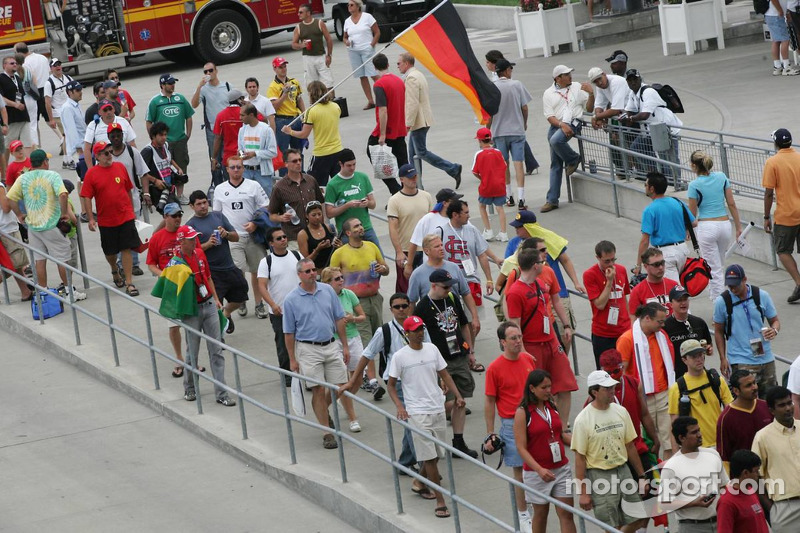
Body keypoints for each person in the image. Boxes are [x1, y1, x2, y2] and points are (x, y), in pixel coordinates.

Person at [386, 315, 464, 519]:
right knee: (429, 458)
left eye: (421, 328)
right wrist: (400, 406)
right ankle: (440, 501)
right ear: (407, 333)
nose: (419, 333)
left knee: (436, 454)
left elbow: (445, 374)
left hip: (437, 407)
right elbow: (391, 385)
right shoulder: (400, 356)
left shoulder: (432, 349)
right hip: (417, 412)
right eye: (415, 330)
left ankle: (419, 481)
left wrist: (457, 395)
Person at [283, 257, 350, 450]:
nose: (313, 273)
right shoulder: (291, 300)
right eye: (308, 271)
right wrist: (292, 359)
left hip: (330, 344)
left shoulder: (328, 290)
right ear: (299, 275)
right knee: (318, 389)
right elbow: (289, 332)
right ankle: (326, 431)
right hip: (308, 348)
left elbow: (339, 319)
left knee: (341, 386)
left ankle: (323, 411)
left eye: (314, 270)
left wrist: (344, 346)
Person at [505, 247, 577, 421]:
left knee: (565, 384)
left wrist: (562, 331)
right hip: (531, 346)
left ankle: (561, 425)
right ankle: (543, 426)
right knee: (536, 391)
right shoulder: (515, 292)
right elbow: (515, 325)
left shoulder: (540, 284)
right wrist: (522, 352)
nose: (544, 264)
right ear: (534, 265)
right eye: (541, 261)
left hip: (551, 342)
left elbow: (549, 309)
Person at [571, 370, 648, 532]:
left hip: (623, 469)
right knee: (611, 523)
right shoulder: (583, 420)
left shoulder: (620, 411)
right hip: (600, 475)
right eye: (607, 388)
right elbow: (579, 458)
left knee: (640, 516)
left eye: (612, 387)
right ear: (594, 392)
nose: (612, 390)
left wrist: (642, 476)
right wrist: (583, 492)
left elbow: (630, 446)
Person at [414, 269, 478, 458]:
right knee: (442, 401)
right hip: (439, 361)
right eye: (445, 287)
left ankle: (458, 441)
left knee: (461, 400)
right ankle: (426, 436)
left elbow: (463, 324)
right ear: (433, 285)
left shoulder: (452, 298)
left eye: (450, 286)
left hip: (459, 355)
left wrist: (470, 351)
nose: (449, 289)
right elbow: (419, 339)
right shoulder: (423, 307)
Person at [171, 225, 236, 407]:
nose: (195, 241)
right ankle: (189, 387)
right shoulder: (176, 261)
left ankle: (221, 393)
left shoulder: (200, 254)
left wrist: (216, 299)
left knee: (216, 350)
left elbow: (207, 278)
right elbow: (171, 288)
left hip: (208, 304)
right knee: (192, 351)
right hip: (191, 310)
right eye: (191, 239)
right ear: (182, 241)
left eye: (195, 238)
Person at [485, 322, 538, 530]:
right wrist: (490, 433)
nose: (518, 341)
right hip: (510, 424)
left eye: (519, 337)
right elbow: (489, 401)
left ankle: (532, 503)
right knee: (520, 471)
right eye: (513, 338)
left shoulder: (527, 360)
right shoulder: (494, 368)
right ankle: (523, 513)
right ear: (502, 342)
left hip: (533, 418)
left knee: (534, 467)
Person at [329, 217, 388, 400]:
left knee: (380, 338)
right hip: (355, 303)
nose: (360, 228)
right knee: (366, 342)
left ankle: (368, 375)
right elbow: (330, 278)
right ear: (348, 233)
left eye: (361, 225)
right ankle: (372, 381)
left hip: (375, 299)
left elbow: (386, 269)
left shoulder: (372, 246)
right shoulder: (340, 253)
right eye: (356, 226)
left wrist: (382, 268)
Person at [514, 369, 576, 533]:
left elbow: (560, 434)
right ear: (532, 388)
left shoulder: (552, 405)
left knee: (567, 514)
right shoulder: (522, 413)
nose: (548, 390)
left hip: (561, 469)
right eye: (544, 387)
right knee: (541, 514)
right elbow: (521, 447)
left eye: (550, 386)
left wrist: (580, 445)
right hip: (537, 473)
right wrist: (539, 469)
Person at [7, 149, 75, 291]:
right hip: (52, 225)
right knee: (62, 259)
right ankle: (69, 290)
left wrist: (19, 214)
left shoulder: (23, 178)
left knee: (39, 260)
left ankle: (43, 291)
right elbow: (63, 195)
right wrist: (64, 213)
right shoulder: (53, 176)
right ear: (45, 162)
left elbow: (10, 198)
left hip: (33, 227)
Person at [80, 141, 141, 296]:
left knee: (126, 248)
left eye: (111, 151)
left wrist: (131, 211)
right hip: (106, 220)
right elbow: (86, 196)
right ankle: (114, 269)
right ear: (98, 156)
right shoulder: (92, 174)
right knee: (110, 252)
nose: (110, 155)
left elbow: (127, 189)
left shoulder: (120, 167)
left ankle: (129, 282)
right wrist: (91, 218)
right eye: (106, 153)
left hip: (125, 216)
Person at [213, 155, 270, 319]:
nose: (236, 170)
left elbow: (265, 207)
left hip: (253, 236)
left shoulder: (254, 186)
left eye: (239, 167)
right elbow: (217, 215)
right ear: (227, 169)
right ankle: (241, 300)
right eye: (233, 167)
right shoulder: (220, 189)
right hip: (232, 238)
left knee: (257, 271)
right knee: (238, 272)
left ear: (243, 168)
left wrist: (255, 223)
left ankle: (259, 304)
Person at [617, 302, 676, 459]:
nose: (663, 325)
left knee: (669, 441)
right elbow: (620, 374)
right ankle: (653, 475)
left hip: (664, 394)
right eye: (660, 321)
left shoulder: (662, 335)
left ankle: (668, 476)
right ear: (648, 318)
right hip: (642, 399)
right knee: (648, 442)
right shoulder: (627, 339)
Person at [406, 234, 480, 354]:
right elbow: (411, 302)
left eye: (441, 245)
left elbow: (466, 293)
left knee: (461, 350)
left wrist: (475, 317)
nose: (441, 248)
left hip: (454, 320)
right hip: (434, 326)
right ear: (426, 251)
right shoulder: (417, 274)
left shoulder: (454, 268)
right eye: (436, 246)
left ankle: (468, 358)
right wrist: (409, 326)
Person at [186, 190, 247, 336]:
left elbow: (236, 237)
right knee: (215, 306)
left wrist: (226, 234)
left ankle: (226, 313)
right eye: (199, 204)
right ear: (191, 206)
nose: (203, 206)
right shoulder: (190, 225)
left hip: (229, 266)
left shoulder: (218, 216)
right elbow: (190, 252)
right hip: (211, 272)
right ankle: (218, 337)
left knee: (241, 296)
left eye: (205, 202)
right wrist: (207, 244)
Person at [713, 264, 780, 392]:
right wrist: (723, 358)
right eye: (729, 286)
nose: (732, 289)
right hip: (740, 360)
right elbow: (718, 331)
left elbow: (775, 321)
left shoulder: (761, 295)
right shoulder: (722, 301)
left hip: (766, 358)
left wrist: (774, 330)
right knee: (747, 401)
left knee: (770, 402)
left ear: (744, 280)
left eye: (736, 285)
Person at [398, 52, 462, 186]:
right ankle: (415, 183)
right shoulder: (418, 74)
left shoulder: (411, 78)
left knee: (420, 153)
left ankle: (452, 168)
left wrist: (408, 123)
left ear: (407, 63)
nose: (398, 66)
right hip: (422, 119)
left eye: (399, 63)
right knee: (413, 154)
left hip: (419, 121)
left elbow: (412, 103)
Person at [147, 202, 196, 377]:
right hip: (171, 288)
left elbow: (196, 253)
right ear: (165, 217)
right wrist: (163, 275)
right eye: (174, 215)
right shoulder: (157, 238)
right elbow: (151, 263)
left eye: (179, 215)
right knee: (174, 325)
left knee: (193, 325)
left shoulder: (186, 234)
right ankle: (179, 357)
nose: (177, 218)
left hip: (189, 285)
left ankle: (192, 360)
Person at [687, 150, 742, 301]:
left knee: (713, 269)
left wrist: (687, 230)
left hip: (707, 226)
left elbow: (692, 214)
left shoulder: (694, 185)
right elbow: (731, 203)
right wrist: (738, 227)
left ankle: (720, 305)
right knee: (719, 265)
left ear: (693, 166)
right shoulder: (722, 177)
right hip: (724, 224)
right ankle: (717, 298)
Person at [657, 416, 728, 531]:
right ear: (681, 438)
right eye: (694, 432)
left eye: (699, 430)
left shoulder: (713, 455)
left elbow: (724, 486)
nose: (699, 435)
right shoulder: (671, 467)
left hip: (720, 523)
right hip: (691, 527)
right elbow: (664, 504)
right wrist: (693, 503)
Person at [541, 65, 593, 213]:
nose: (570, 76)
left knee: (556, 141)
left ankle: (573, 159)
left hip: (574, 122)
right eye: (566, 74)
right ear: (558, 78)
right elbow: (549, 116)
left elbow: (589, 109)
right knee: (555, 163)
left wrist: (591, 95)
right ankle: (552, 200)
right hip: (557, 124)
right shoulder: (548, 93)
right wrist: (561, 124)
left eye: (570, 73)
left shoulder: (576, 87)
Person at [596, 348, 661, 466]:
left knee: (650, 481)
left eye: (616, 371)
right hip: (612, 453)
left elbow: (644, 414)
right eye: (608, 373)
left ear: (622, 367)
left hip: (636, 446)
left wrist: (655, 439)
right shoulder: (596, 392)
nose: (612, 376)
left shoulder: (634, 384)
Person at [667, 340, 732, 450]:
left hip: (721, 442)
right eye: (693, 356)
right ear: (684, 360)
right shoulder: (677, 388)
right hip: (696, 447)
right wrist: (676, 455)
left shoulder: (716, 380)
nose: (699, 359)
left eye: (701, 355)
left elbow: (730, 410)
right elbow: (674, 424)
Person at [752, 386, 800, 532]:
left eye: (789, 403)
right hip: (784, 508)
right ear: (771, 410)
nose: (787, 408)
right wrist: (771, 508)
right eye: (781, 405)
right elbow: (755, 477)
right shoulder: (762, 437)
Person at [623, 69, 683, 185]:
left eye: (635, 79)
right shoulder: (633, 94)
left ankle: (675, 183)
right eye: (629, 80)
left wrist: (630, 119)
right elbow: (629, 110)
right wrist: (627, 116)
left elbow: (645, 115)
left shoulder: (648, 92)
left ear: (640, 79)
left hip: (666, 128)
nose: (632, 82)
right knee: (636, 148)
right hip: (651, 130)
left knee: (670, 159)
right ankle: (658, 174)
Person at [257, 227, 301, 386]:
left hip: (301, 310)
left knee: (304, 343)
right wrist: (273, 305)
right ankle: (287, 374)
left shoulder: (296, 255)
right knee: (283, 345)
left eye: (284, 236)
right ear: (271, 243)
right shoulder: (266, 262)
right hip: (279, 312)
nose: (283, 239)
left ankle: (305, 373)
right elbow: (262, 286)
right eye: (279, 238)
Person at [321, 266, 362, 431]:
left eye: (341, 277)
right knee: (342, 381)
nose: (341, 281)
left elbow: (362, 316)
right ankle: (353, 419)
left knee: (357, 378)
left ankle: (324, 405)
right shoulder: (324, 298)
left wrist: (353, 318)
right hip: (335, 340)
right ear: (327, 283)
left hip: (353, 337)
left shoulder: (349, 294)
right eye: (337, 279)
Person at [487, 58, 532, 210]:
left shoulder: (492, 87)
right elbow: (524, 107)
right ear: (506, 71)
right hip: (516, 130)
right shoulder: (517, 85)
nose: (511, 72)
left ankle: (509, 196)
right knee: (519, 163)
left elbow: (490, 113)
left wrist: (488, 130)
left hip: (499, 131)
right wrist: (524, 122)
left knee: (504, 165)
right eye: (510, 69)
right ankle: (521, 197)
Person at [762, 128, 800, 303]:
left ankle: (799, 283)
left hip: (786, 215)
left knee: (783, 250)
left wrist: (766, 217)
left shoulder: (773, 162)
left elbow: (769, 193)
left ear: (776, 143)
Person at [634, 172, 694, 282]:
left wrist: (638, 265)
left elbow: (645, 240)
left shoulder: (650, 210)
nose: (645, 187)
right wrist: (684, 229)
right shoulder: (677, 202)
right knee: (678, 290)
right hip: (682, 251)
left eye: (645, 185)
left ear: (652, 189)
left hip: (666, 254)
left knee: (673, 293)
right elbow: (693, 223)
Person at [107, 122, 150, 276]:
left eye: (119, 135)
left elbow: (143, 173)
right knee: (118, 235)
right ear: (109, 137)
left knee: (131, 234)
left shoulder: (133, 152)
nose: (116, 138)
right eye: (113, 136)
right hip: (112, 204)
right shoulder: (105, 156)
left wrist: (146, 193)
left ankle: (134, 264)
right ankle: (122, 265)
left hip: (132, 201)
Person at [283, 80, 342, 187]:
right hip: (338, 151)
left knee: (313, 185)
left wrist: (289, 131)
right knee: (340, 184)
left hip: (321, 154)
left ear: (311, 94)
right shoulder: (336, 106)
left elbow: (304, 134)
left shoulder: (312, 111)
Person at [583, 240, 632, 368]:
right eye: (606, 261)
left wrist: (631, 322)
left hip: (624, 330)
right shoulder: (590, 275)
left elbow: (624, 298)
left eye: (613, 260)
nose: (611, 264)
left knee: (627, 369)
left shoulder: (621, 270)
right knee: (606, 373)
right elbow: (599, 304)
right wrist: (609, 282)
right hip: (603, 334)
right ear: (598, 258)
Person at [440, 199, 496, 310]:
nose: (469, 216)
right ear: (455, 215)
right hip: (450, 284)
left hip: (471, 281)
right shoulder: (440, 232)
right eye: (465, 213)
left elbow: (482, 255)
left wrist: (489, 280)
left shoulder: (472, 230)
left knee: (475, 321)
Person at [366, 53, 407, 195]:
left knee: (373, 152)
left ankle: (395, 190)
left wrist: (382, 134)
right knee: (403, 162)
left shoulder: (379, 85)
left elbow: (383, 110)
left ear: (374, 67)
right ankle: (406, 190)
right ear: (388, 64)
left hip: (387, 130)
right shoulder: (399, 81)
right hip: (400, 128)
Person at [387, 163, 432, 292]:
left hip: (425, 250)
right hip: (406, 250)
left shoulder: (426, 196)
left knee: (427, 286)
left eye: (415, 176)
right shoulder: (394, 200)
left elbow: (430, 222)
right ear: (401, 179)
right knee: (406, 288)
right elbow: (393, 228)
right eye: (410, 177)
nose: (413, 179)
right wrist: (399, 252)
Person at [716, 369, 773, 468]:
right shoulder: (726, 418)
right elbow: (724, 456)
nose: (754, 387)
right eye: (748, 385)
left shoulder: (766, 407)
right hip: (745, 476)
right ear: (736, 391)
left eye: (754, 383)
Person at [324, 149, 380, 249]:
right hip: (347, 233)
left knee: (379, 259)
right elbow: (329, 213)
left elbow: (373, 204)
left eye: (354, 164)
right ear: (341, 164)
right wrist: (347, 205)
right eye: (349, 165)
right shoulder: (333, 184)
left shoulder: (363, 177)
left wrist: (367, 203)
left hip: (366, 228)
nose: (352, 168)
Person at [269, 149, 325, 243]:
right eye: (294, 161)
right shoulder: (279, 187)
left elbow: (321, 203)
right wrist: (281, 218)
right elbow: (272, 215)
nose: (298, 163)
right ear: (286, 164)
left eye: (300, 160)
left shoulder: (310, 180)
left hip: (315, 233)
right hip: (294, 237)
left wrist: (323, 225)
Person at [145, 74, 194, 181]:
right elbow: (149, 122)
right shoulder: (155, 101)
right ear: (162, 85)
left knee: (181, 166)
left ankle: (180, 195)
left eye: (173, 83)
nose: (173, 85)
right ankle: (170, 192)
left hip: (180, 140)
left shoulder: (180, 98)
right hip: (164, 142)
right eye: (170, 83)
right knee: (166, 168)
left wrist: (188, 135)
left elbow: (189, 116)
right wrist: (154, 139)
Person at [405, 188, 463, 272]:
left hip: (457, 268)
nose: (458, 204)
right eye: (454, 201)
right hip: (433, 270)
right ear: (445, 203)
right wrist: (409, 265)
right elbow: (414, 243)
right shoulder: (428, 219)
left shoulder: (459, 218)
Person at [662, 285, 713, 378]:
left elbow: (708, 345)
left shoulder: (699, 323)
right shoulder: (665, 327)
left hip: (699, 375)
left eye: (685, 299)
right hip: (677, 378)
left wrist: (709, 349)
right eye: (679, 300)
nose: (683, 303)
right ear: (671, 304)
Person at [716, 450, 770, 533]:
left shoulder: (751, 491)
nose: (758, 475)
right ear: (745, 473)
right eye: (756, 471)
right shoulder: (726, 503)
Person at [471, 127, 508, 242]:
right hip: (499, 184)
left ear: (479, 141)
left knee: (482, 206)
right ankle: (503, 232)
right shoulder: (498, 152)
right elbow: (505, 166)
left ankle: (488, 230)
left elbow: (474, 171)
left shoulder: (479, 154)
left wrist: (482, 178)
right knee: (500, 208)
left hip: (486, 185)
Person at [0, 176, 33, 301]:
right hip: (7, 229)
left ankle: (25, 289)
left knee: (16, 264)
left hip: (4, 229)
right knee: (14, 264)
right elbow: (6, 208)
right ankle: (25, 290)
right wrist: (14, 194)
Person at [343, 0, 380, 110]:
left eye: (351, 5)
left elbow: (377, 32)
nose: (349, 7)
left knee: (373, 74)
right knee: (361, 76)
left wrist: (372, 45)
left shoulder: (367, 17)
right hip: (353, 51)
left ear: (358, 6)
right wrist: (346, 42)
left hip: (367, 49)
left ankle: (385, 95)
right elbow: (344, 37)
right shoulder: (347, 21)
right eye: (348, 5)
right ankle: (370, 101)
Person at [267, 57, 305, 162]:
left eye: (284, 66)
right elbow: (274, 106)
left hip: (296, 119)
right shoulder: (273, 87)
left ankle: (299, 173)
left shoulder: (294, 82)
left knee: (298, 151)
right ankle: (285, 176)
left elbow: (299, 99)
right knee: (284, 152)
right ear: (274, 69)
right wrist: (284, 94)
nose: (283, 69)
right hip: (282, 121)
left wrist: (305, 114)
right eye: (280, 67)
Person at [191, 62, 231, 159]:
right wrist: (199, 87)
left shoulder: (227, 86)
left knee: (228, 157)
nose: (208, 73)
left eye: (211, 70)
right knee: (214, 159)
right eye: (206, 72)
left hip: (227, 127)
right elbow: (194, 104)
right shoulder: (203, 89)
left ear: (216, 71)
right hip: (212, 129)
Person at [239, 102, 278, 198]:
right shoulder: (242, 130)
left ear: (251, 115)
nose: (240, 118)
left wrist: (255, 154)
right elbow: (240, 148)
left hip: (262, 172)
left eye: (242, 115)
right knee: (247, 199)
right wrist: (240, 154)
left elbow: (273, 152)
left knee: (268, 199)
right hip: (246, 171)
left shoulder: (266, 130)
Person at [83, 99, 137, 168]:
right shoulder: (93, 125)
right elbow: (87, 149)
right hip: (103, 166)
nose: (108, 112)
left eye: (110, 109)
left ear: (114, 109)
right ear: (99, 112)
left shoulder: (123, 122)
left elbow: (132, 144)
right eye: (105, 110)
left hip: (124, 164)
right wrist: (91, 170)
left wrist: (136, 165)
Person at [627, 247, 678, 317]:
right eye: (656, 264)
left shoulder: (674, 285)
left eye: (662, 263)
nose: (660, 267)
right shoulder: (637, 291)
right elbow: (633, 319)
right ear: (645, 266)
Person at [292, 3, 334, 88]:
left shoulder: (319, 23)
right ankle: (315, 101)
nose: (298, 14)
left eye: (300, 12)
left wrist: (329, 55)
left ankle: (331, 100)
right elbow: (293, 44)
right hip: (308, 58)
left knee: (328, 83)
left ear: (308, 13)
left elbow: (329, 39)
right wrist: (302, 45)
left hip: (321, 56)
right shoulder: (298, 27)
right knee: (311, 85)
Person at [211, 89, 248, 179]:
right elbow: (262, 119)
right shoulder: (244, 113)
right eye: (242, 98)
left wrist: (214, 158)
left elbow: (217, 138)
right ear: (239, 100)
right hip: (244, 155)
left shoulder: (221, 115)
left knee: (230, 184)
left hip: (228, 157)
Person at [43, 58, 73, 168]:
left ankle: (67, 160)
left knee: (69, 136)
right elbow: (47, 102)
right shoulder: (49, 83)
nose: (58, 67)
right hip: (58, 114)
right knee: (67, 137)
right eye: (55, 65)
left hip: (69, 113)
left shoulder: (68, 78)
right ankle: (67, 161)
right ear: (51, 68)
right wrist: (51, 119)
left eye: (59, 64)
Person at [0, 56, 32, 149]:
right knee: (8, 145)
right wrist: (15, 105)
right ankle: (4, 164)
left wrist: (19, 105)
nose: (15, 65)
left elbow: (19, 93)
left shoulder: (17, 78)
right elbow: (1, 98)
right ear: (4, 65)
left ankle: (27, 164)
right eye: (12, 63)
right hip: (11, 117)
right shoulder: (1, 78)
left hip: (23, 116)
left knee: (27, 144)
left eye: (15, 63)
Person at [297, 201, 338, 270]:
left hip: (331, 268)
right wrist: (317, 250)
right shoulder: (303, 234)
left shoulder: (327, 227)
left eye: (319, 214)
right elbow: (305, 262)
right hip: (316, 271)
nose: (317, 217)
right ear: (307, 216)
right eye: (314, 215)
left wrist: (337, 245)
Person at [765, 0, 800, 75]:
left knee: (776, 41)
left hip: (771, 14)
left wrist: (785, 12)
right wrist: (780, 10)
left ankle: (777, 66)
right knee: (785, 40)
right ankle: (786, 67)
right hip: (776, 15)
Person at [59, 81, 85, 181]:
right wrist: (78, 148)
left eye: (81, 89)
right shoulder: (67, 108)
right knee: (82, 179)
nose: (81, 92)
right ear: (70, 92)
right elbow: (71, 130)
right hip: (78, 149)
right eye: (77, 90)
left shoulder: (76, 105)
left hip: (83, 146)